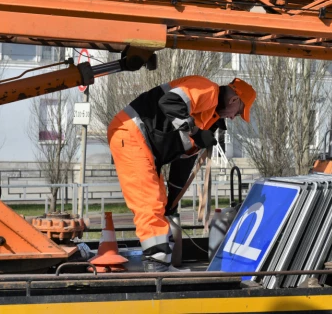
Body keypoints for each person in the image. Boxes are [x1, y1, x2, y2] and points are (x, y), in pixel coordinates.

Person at [107, 76, 256, 272]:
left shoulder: (207, 118)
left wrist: (172, 201)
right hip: (130, 132)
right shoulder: (208, 90)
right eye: (237, 113)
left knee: (159, 204)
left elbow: (182, 165)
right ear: (234, 100)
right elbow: (169, 102)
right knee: (148, 203)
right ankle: (157, 266)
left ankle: (162, 263)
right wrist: (195, 132)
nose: (232, 118)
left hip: (143, 143)